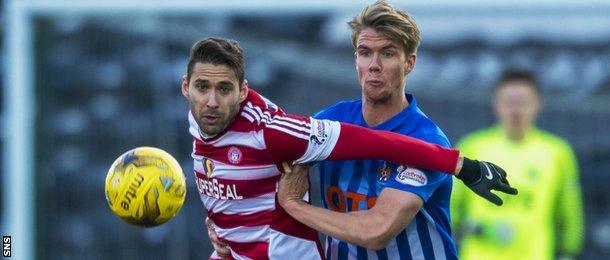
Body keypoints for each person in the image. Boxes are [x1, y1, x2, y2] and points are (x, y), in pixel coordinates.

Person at [183, 36, 515, 259]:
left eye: (223, 89)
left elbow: (376, 226)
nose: (211, 101)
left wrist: (461, 166)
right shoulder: (203, 122)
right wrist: (223, 225)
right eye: (202, 87)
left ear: (242, 92)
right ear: (186, 88)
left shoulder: (275, 133)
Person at [270, 1, 519, 259]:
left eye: (387, 53)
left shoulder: (426, 140)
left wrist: (294, 205)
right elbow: (267, 177)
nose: (374, 65)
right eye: (365, 52)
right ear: (356, 58)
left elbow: (377, 230)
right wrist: (226, 232)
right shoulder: (330, 121)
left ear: (409, 63)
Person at [450, 69, 584, 260]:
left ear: (538, 105)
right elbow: (449, 208)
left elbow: (571, 213)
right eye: (509, 103)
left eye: (523, 103)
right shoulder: (471, 147)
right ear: (496, 104)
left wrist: (569, 253)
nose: (516, 110)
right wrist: (476, 228)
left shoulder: (558, 152)